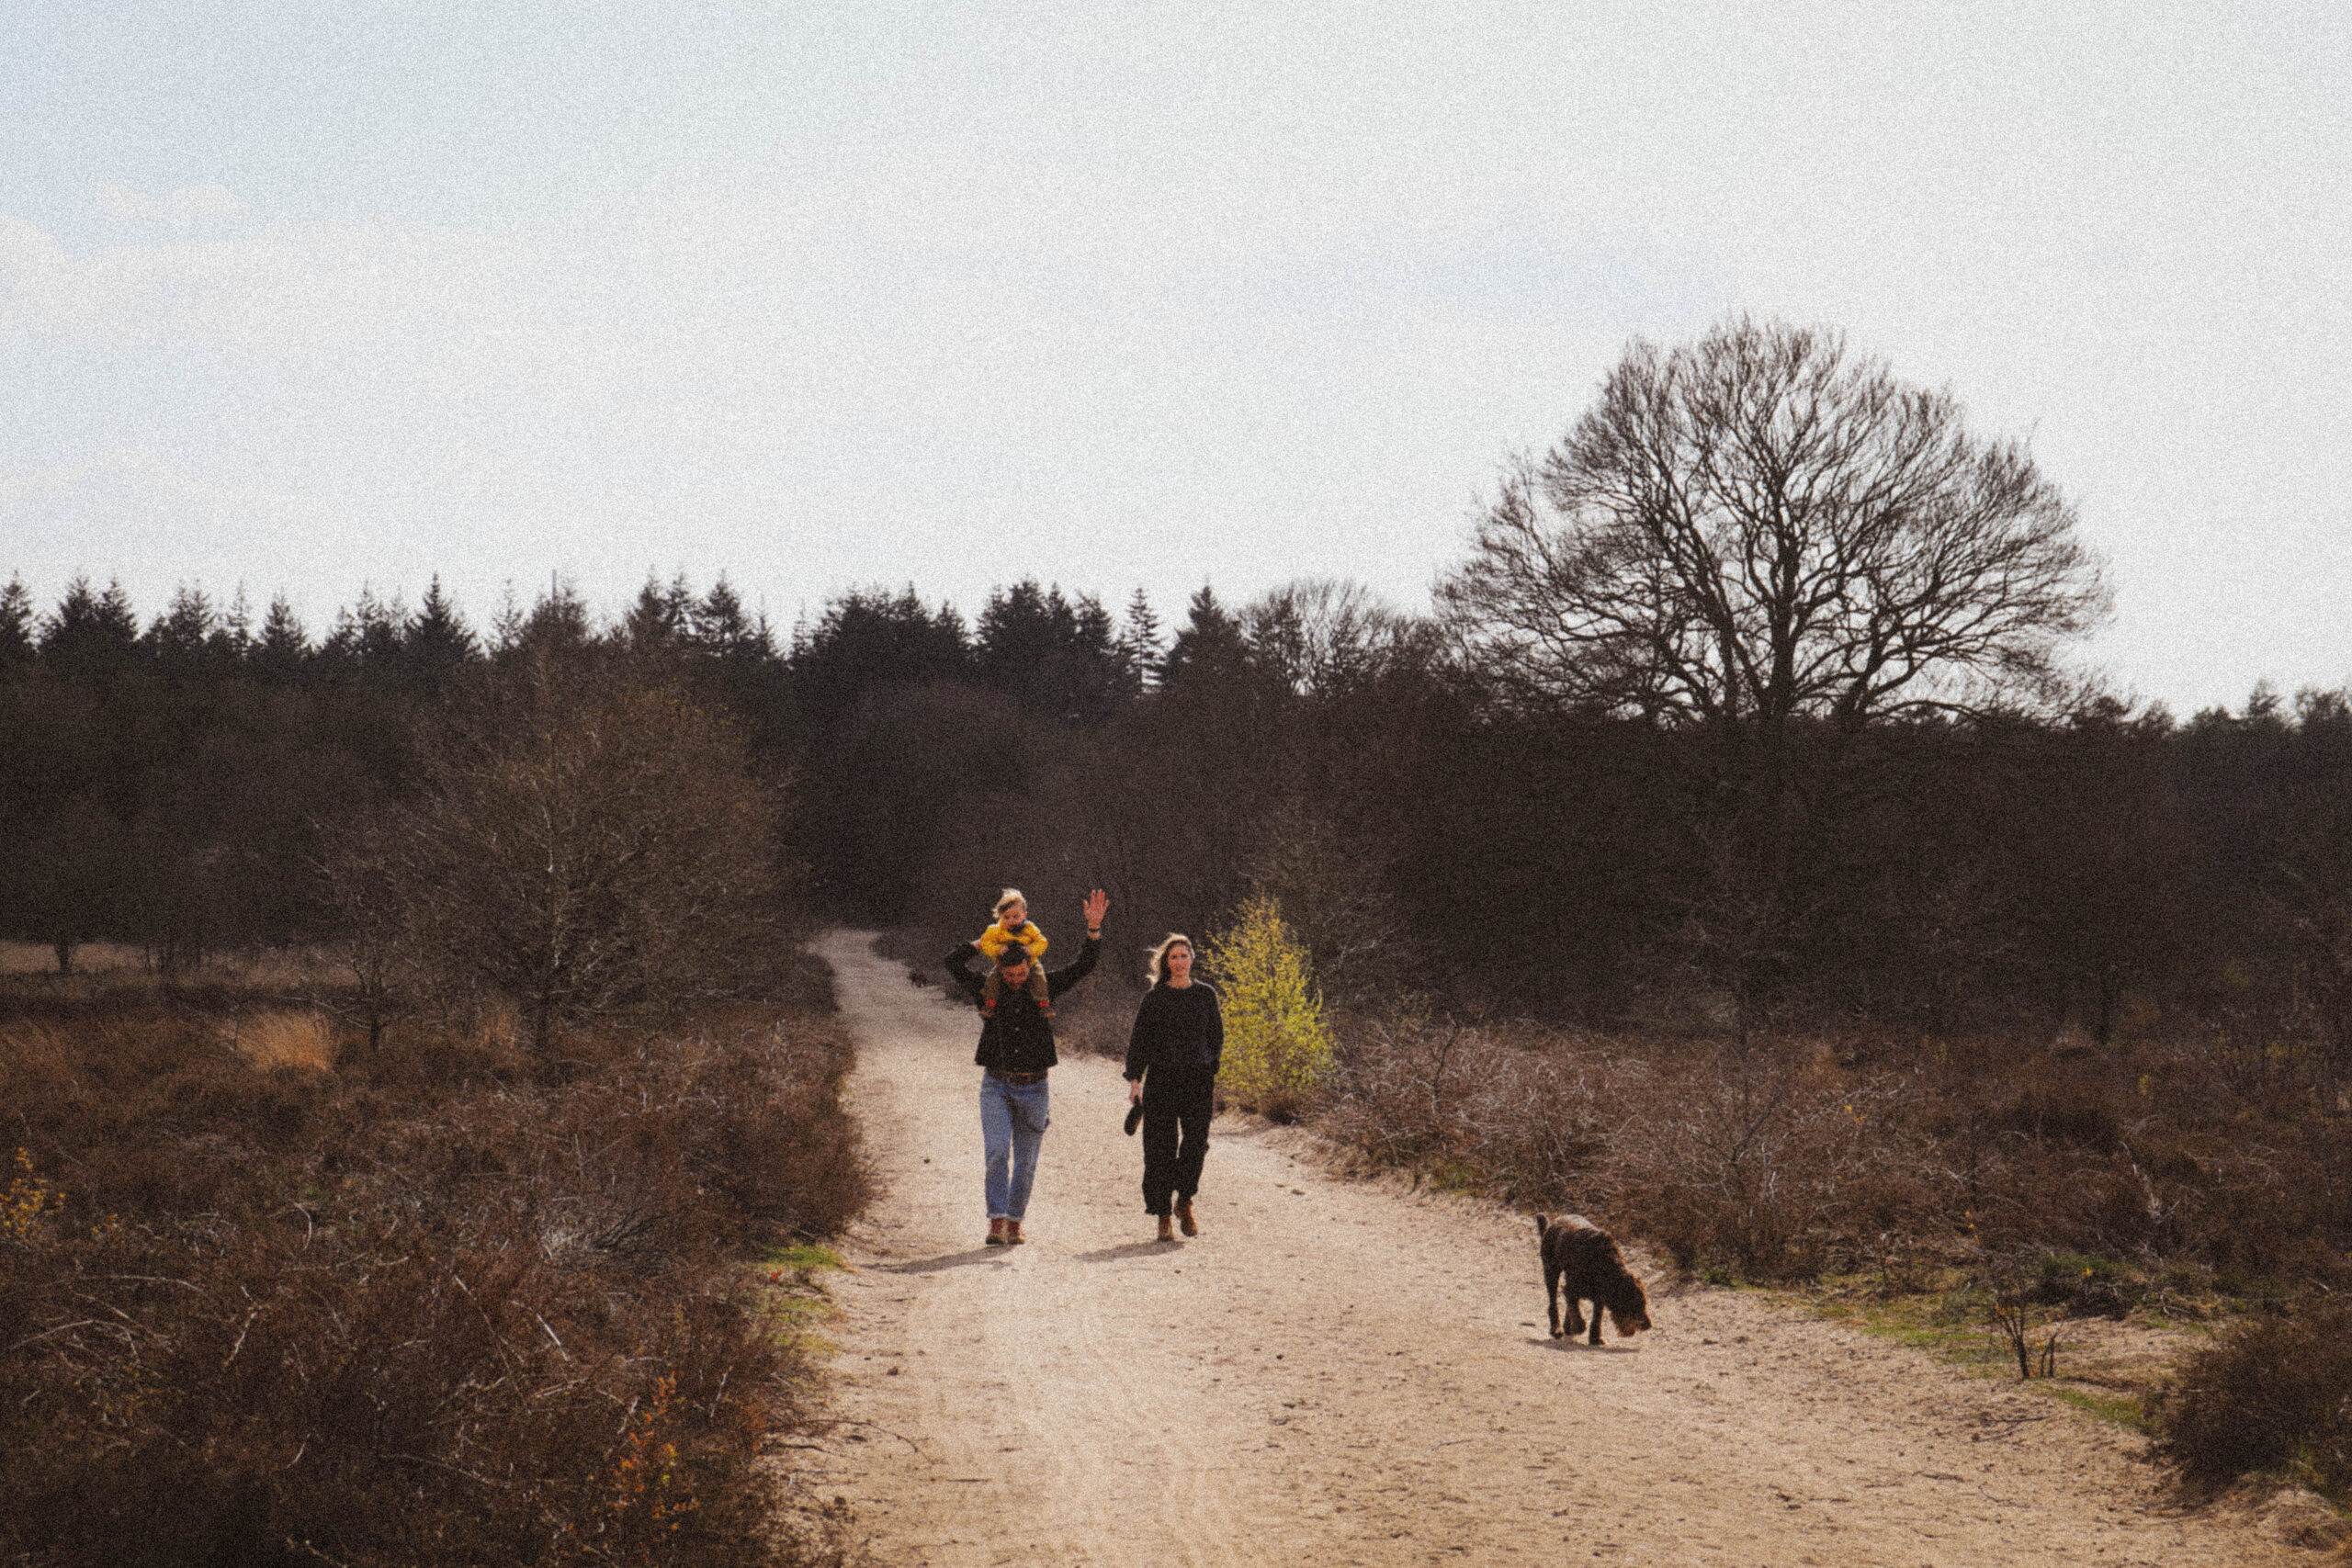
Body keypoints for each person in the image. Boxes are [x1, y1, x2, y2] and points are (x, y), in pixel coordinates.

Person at [944, 887, 1107, 1247]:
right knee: (997, 1153)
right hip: (996, 1085)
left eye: (1021, 974)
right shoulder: (987, 989)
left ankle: (1016, 1221)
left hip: (1035, 1086)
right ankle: (996, 1220)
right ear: (1000, 970)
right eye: (1010, 975)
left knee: (1027, 1162)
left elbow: (1084, 966)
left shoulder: (1044, 987)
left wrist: (1093, 930)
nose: (1016, 980)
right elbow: (952, 963)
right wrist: (990, 937)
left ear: (1030, 968)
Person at [1123, 932, 1224, 1242]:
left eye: (1184, 956)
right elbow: (1140, 1040)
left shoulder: (1206, 995)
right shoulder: (1155, 998)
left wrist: (1209, 1069)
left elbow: (1216, 1038)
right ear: (1166, 962)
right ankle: (1163, 1214)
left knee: (1196, 1143)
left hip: (1197, 1082)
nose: (1179, 962)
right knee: (1159, 1149)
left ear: (1192, 959)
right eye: (1173, 957)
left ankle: (1185, 1200)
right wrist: (1135, 1080)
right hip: (1162, 1082)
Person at [973, 887, 1054, 1018]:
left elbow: (1043, 942)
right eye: (1006, 917)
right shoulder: (995, 930)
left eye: (1016, 916)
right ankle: (989, 1005)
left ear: (1024, 915)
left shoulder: (1030, 928)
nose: (1011, 920)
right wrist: (998, 949)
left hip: (1030, 962)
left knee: (1039, 978)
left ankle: (1044, 1004)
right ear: (999, 916)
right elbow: (986, 943)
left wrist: (1031, 949)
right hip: (1003, 964)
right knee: (992, 980)